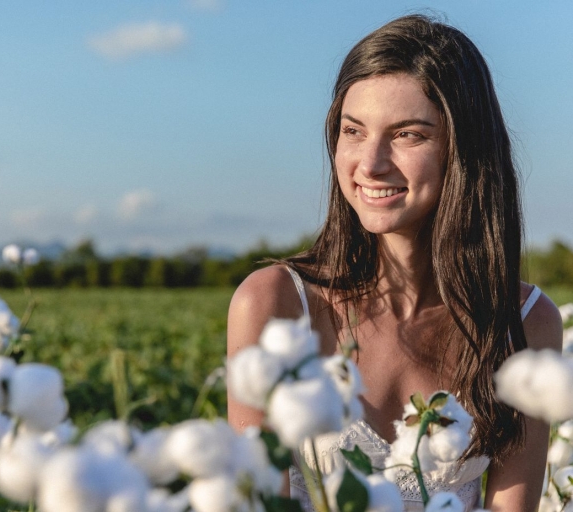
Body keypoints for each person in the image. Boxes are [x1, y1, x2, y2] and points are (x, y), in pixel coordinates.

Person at [226, 14, 563, 512]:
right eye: (353, 131)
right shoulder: (275, 305)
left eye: (408, 135)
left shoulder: (526, 323)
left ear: (463, 150)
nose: (371, 163)